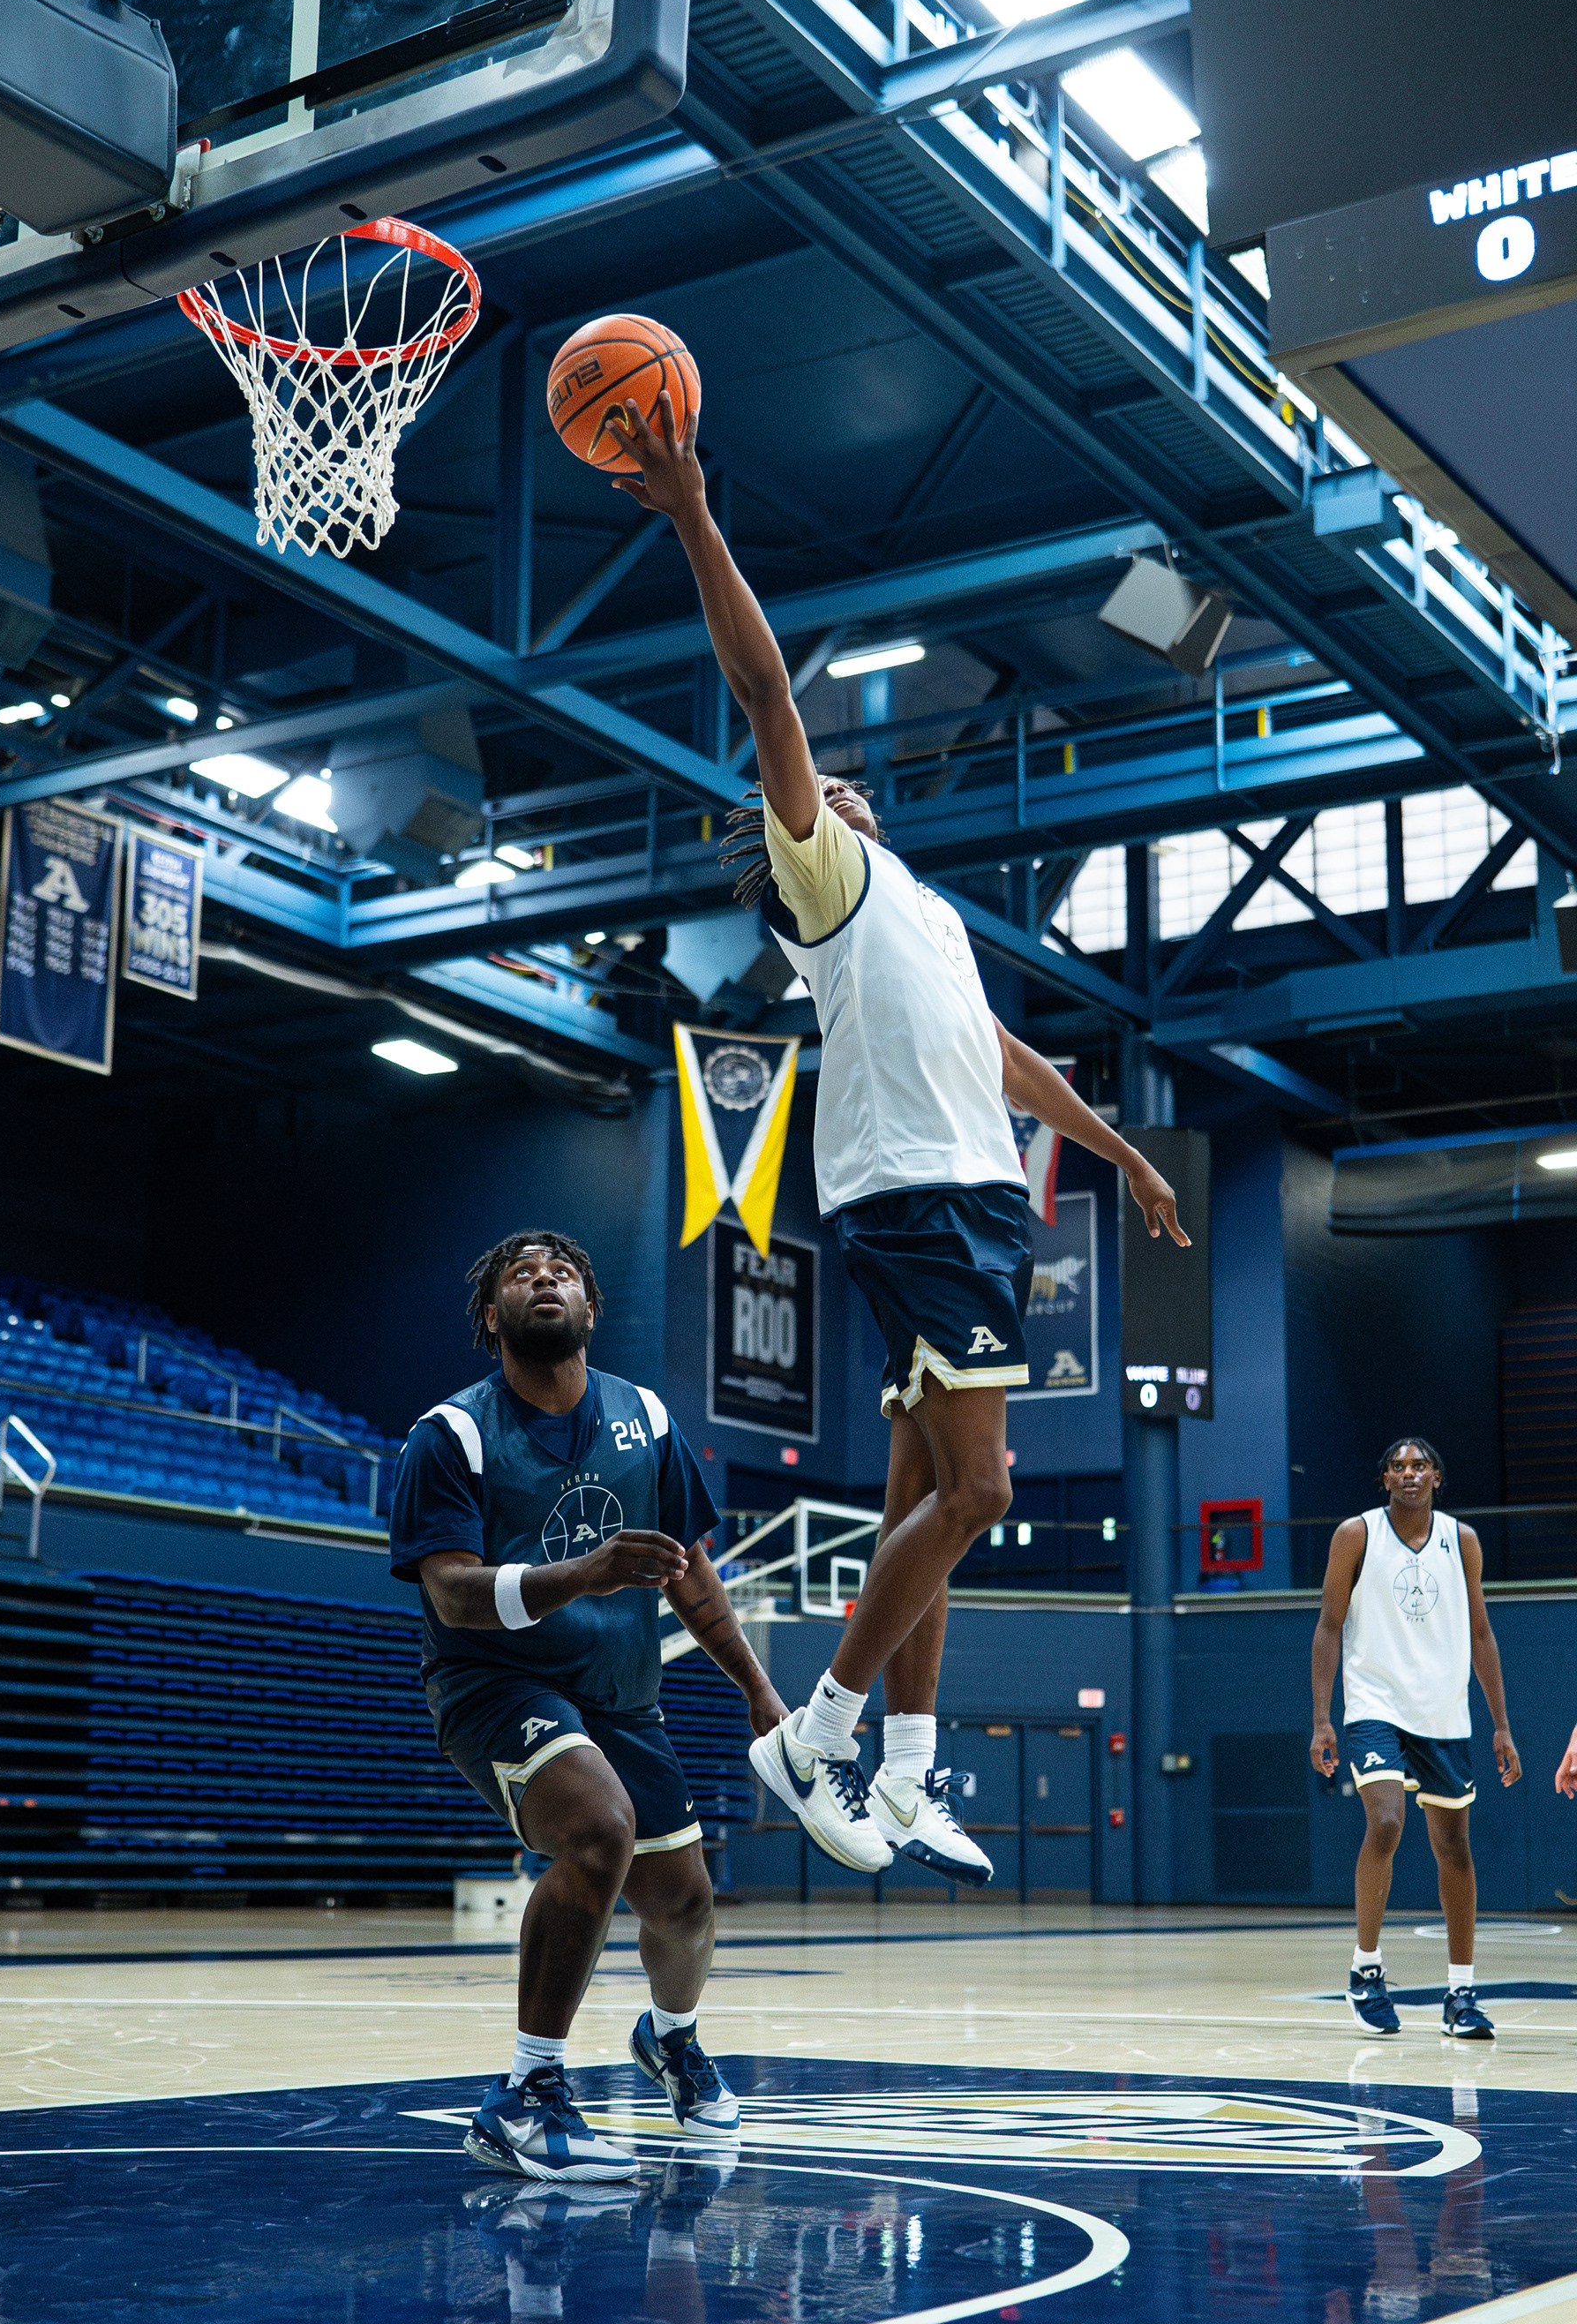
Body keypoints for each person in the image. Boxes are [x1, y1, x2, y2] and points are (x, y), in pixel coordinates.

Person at [611, 394, 1188, 1882]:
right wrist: (694, 513)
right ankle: (815, 1734)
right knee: (985, 1494)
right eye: (814, 794)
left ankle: (913, 1772)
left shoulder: (923, 914)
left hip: (975, 1200)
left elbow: (1008, 1059)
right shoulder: (830, 886)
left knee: (922, 1501)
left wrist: (1119, 1152)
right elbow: (765, 694)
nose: (835, 789)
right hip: (919, 1201)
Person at [389, 1228, 785, 2180]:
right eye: (520, 1274)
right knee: (599, 1829)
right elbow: (452, 1593)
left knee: (683, 1902)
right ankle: (525, 2096)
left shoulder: (644, 1417)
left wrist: (760, 1689)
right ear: (492, 1317)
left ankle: (671, 2040)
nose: (544, 1278)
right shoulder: (450, 1435)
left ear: (591, 1310)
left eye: (562, 1271)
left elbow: (690, 1573)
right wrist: (583, 1573)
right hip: (494, 1683)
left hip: (620, 1694)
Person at [1310, 1435, 1521, 2040]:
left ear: (1436, 1477)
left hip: (1443, 1712)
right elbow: (1328, 1626)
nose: (1409, 1473)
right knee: (1386, 1822)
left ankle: (1461, 1994)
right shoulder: (1356, 1535)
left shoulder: (1463, 1540)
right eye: (1398, 1466)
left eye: (1419, 1465)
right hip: (1375, 1705)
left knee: (1454, 1846)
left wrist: (1501, 1725)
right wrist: (1322, 1719)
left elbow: (1481, 1634)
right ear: (1384, 1479)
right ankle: (1366, 1970)